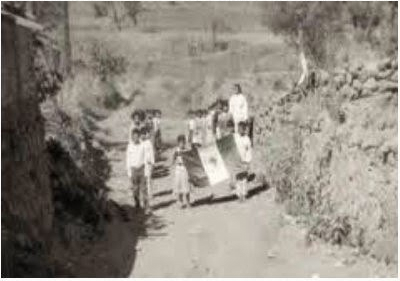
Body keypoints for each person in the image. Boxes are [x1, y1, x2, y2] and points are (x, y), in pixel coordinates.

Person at [126, 128, 148, 211]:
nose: (135, 138)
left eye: (137, 136)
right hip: (133, 169)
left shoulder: (143, 145)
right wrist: (129, 172)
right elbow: (128, 159)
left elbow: (145, 158)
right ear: (132, 137)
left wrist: (146, 170)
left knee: (144, 189)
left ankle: (146, 206)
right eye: (133, 137)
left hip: (142, 168)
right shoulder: (130, 146)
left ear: (139, 136)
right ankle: (137, 204)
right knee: (135, 189)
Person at [233, 121, 252, 202]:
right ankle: (239, 195)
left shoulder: (247, 139)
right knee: (238, 178)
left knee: (244, 178)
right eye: (238, 129)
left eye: (241, 129)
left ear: (244, 129)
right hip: (236, 160)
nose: (240, 130)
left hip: (244, 160)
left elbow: (249, 151)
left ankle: (244, 194)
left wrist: (247, 161)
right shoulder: (235, 137)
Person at [171, 135, 191, 208]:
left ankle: (188, 202)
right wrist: (173, 162)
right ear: (178, 143)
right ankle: (181, 202)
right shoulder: (176, 151)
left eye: (183, 142)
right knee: (178, 185)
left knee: (186, 185)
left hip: (184, 168)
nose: (182, 144)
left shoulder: (186, 150)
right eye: (180, 143)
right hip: (178, 168)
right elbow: (173, 159)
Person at [141, 127, 155, 209]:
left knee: (149, 179)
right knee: (143, 181)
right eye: (142, 134)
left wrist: (153, 163)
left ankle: (150, 195)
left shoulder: (148, 143)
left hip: (148, 164)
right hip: (141, 165)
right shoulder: (140, 143)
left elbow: (152, 153)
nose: (144, 135)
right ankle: (144, 199)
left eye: (145, 134)